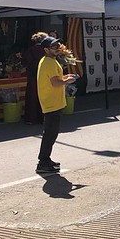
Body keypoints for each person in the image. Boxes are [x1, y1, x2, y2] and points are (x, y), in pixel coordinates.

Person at [35, 36, 78, 174]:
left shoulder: (49, 61)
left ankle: (45, 159)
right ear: (46, 49)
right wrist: (66, 81)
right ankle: (43, 161)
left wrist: (65, 77)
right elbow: (55, 83)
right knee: (50, 133)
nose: (57, 48)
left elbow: (54, 79)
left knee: (51, 133)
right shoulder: (49, 62)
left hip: (53, 102)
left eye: (57, 45)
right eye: (53, 47)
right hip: (51, 102)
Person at [22, 31, 47, 125]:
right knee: (43, 97)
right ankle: (42, 117)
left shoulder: (30, 50)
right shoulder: (45, 50)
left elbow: (24, 61)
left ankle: (31, 118)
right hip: (43, 76)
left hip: (32, 76)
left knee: (31, 97)